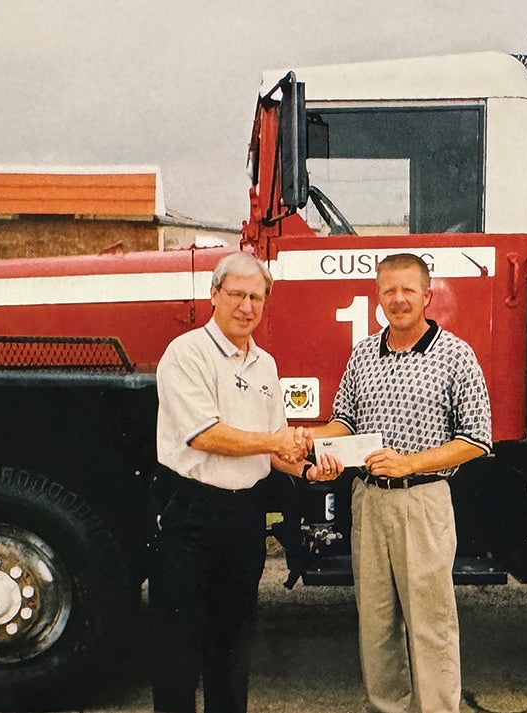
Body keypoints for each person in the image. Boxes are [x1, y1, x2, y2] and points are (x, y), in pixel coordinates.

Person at [309, 253, 492, 713]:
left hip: (423, 501)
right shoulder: (363, 354)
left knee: (430, 622)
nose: (398, 299)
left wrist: (409, 464)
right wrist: (310, 442)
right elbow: (344, 422)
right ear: (378, 298)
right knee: (375, 622)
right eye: (389, 290)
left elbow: (476, 440)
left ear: (427, 296)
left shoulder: (456, 355)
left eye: (408, 289)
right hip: (368, 502)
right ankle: (386, 706)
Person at [149, 251, 324, 713]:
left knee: (232, 646)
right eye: (237, 295)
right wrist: (276, 441)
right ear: (214, 295)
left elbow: (274, 451)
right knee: (178, 646)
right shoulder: (186, 354)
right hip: (191, 512)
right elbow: (206, 436)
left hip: (244, 518)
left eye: (257, 298)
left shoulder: (265, 364)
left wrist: (307, 467)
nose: (247, 307)